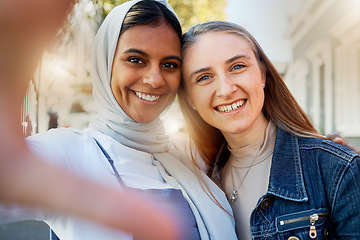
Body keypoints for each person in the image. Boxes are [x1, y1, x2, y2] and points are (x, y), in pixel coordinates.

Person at [0, 1, 237, 240]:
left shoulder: (192, 160)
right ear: (105, 63)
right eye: (135, 60)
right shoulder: (68, 152)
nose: (155, 79)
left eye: (169, 65)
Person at [178, 20, 360, 239]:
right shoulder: (195, 185)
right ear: (189, 98)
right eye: (204, 77)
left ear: (262, 74)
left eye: (237, 67)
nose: (225, 89)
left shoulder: (335, 168)